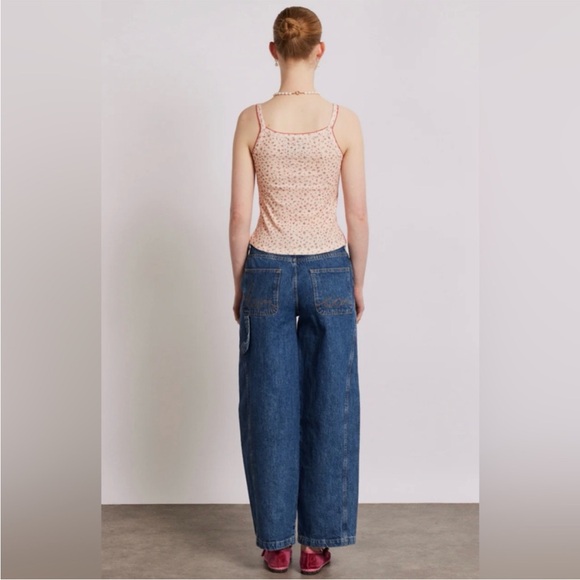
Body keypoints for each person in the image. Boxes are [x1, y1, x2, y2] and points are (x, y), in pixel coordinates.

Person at [229, 5, 368, 575]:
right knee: (332, 404)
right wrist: (357, 282)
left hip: (265, 267)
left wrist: (240, 285)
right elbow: (357, 216)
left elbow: (239, 216)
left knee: (268, 406)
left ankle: (274, 544)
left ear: (273, 51)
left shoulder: (252, 120)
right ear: (319, 50)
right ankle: (316, 544)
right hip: (329, 268)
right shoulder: (343, 121)